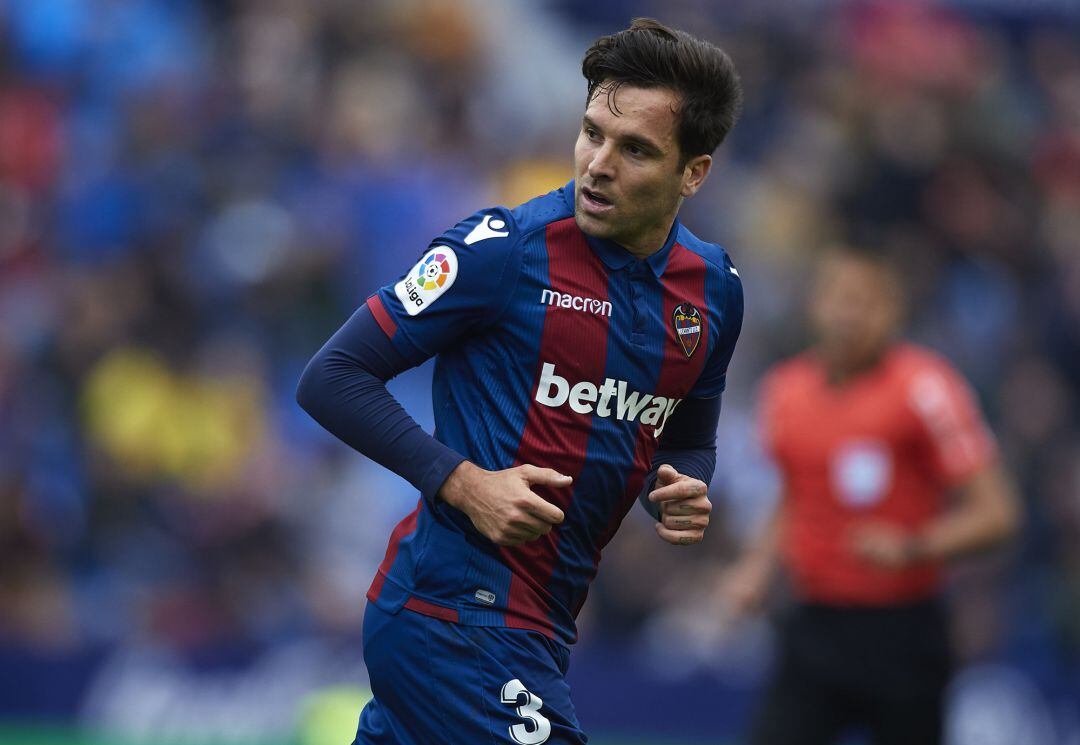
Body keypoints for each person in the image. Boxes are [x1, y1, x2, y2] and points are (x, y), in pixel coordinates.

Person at [295, 18, 745, 745]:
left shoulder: (715, 292)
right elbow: (332, 376)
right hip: (454, 614)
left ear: (693, 172)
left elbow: (691, 429)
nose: (597, 163)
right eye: (592, 131)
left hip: (539, 627)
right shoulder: (502, 252)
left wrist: (685, 482)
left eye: (635, 149)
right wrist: (464, 481)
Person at [722, 247, 1020, 745]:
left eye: (866, 302)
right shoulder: (785, 391)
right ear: (815, 305)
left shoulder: (927, 389)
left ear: (894, 311)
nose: (849, 315)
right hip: (814, 625)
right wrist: (756, 567)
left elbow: (998, 513)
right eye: (839, 298)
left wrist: (913, 547)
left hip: (903, 631)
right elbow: (793, 492)